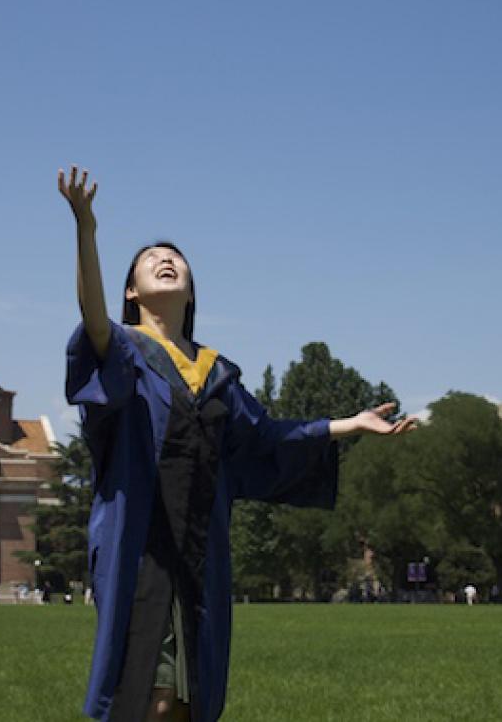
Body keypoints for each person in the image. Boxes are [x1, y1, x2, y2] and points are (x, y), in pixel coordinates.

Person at [59, 167, 416, 722]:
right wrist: (86, 228)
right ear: (131, 290)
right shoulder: (124, 352)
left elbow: (267, 437)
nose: (166, 259)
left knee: (185, 700)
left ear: (192, 288)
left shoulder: (217, 373)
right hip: (141, 549)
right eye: (150, 259)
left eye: (176, 257)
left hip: (200, 553)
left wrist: (346, 424)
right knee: (144, 696)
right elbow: (94, 322)